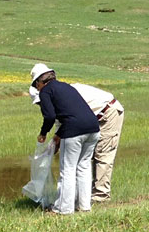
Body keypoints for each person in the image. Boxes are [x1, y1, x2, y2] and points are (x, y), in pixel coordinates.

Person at [30, 81, 124, 201]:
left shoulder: (63, 94)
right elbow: (62, 126)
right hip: (91, 120)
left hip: (107, 113)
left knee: (102, 155)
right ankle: (82, 198)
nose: (41, 106)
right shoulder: (58, 95)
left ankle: (100, 196)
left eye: (40, 102)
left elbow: (69, 121)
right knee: (82, 160)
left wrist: (49, 138)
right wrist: (51, 147)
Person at [31, 63, 100, 215]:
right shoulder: (67, 87)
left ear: (39, 82)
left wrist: (43, 133)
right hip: (94, 128)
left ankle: (64, 209)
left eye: (36, 85)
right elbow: (72, 114)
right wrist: (58, 135)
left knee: (67, 169)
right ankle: (84, 206)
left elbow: (50, 116)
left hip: (74, 131)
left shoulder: (45, 91)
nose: (37, 89)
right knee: (84, 166)